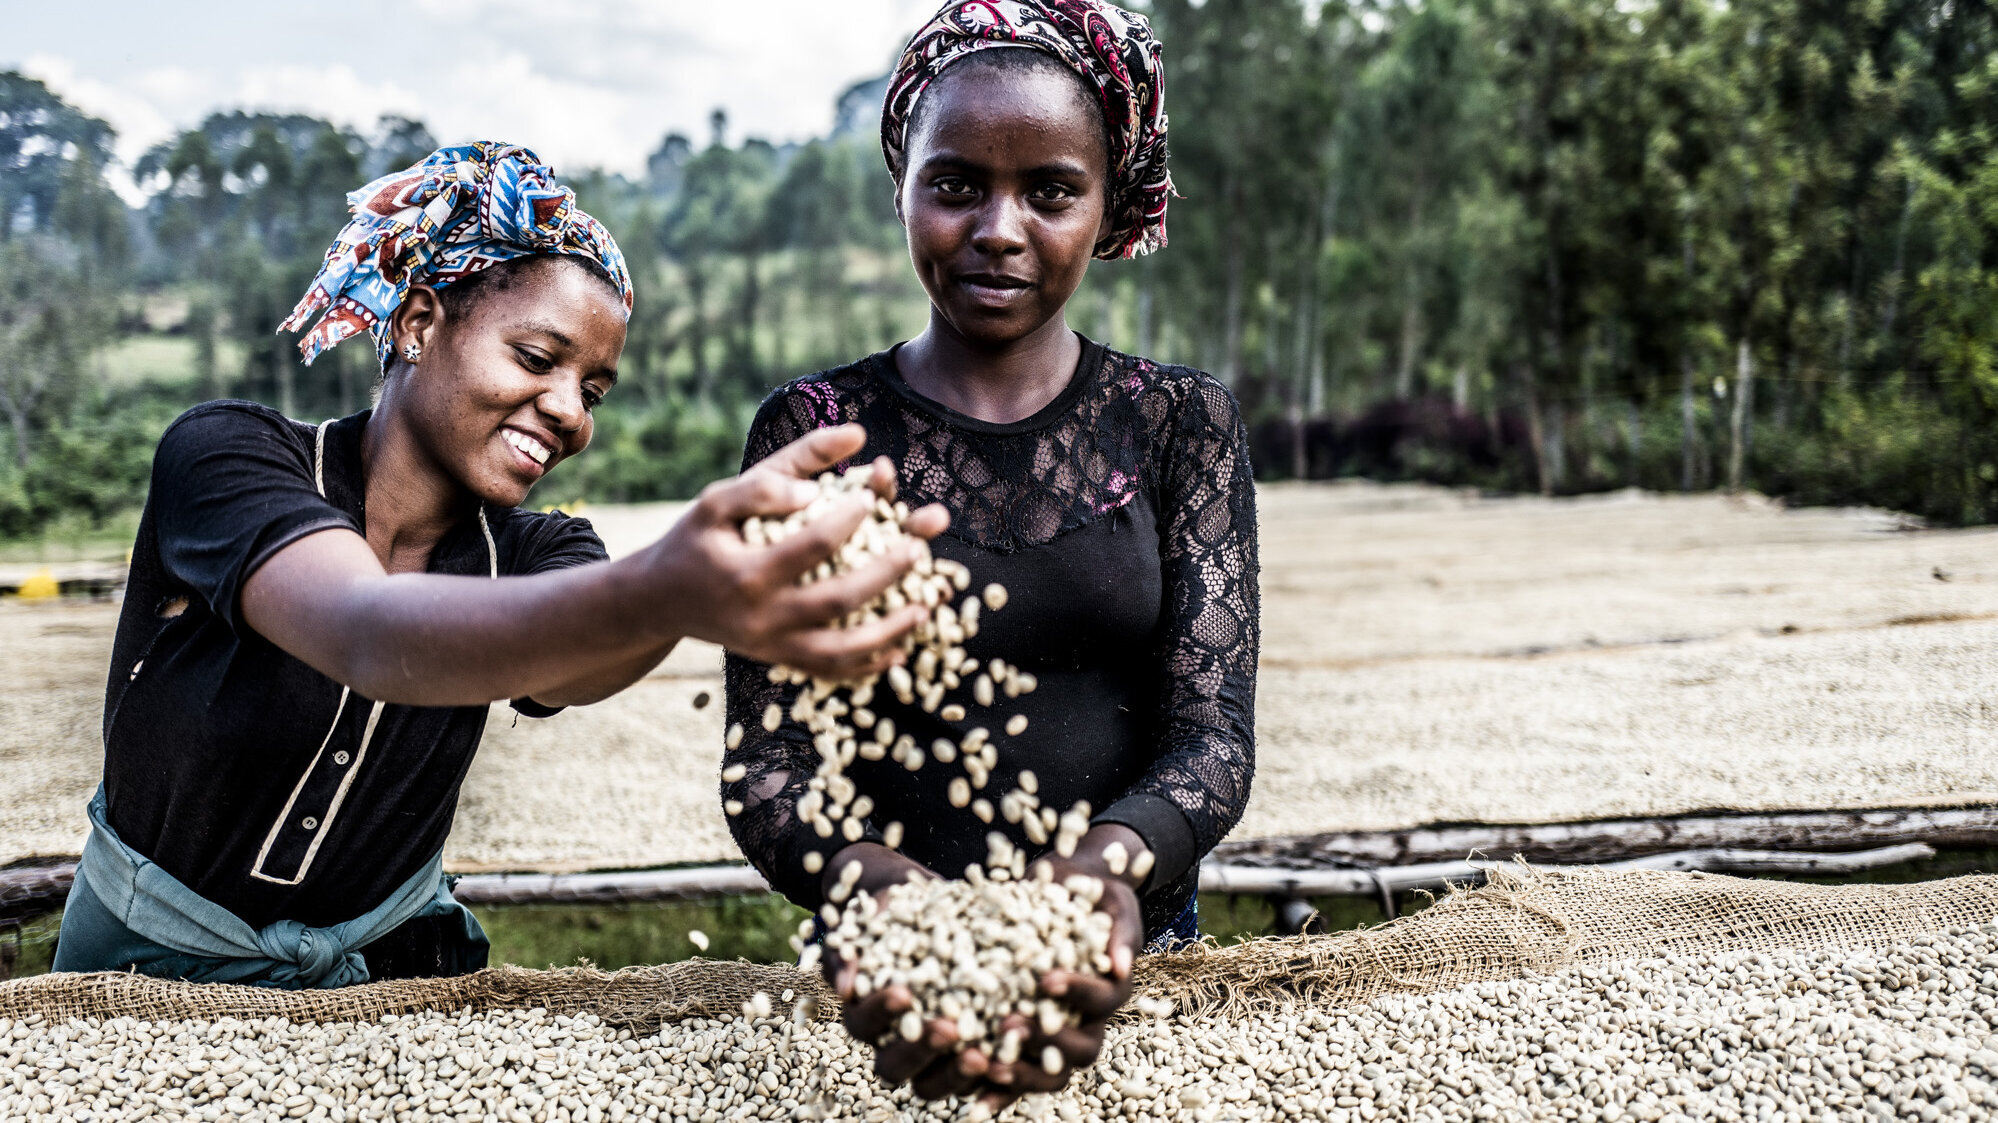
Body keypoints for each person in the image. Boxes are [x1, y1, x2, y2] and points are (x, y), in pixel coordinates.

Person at [53, 142, 945, 989]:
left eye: (592, 390)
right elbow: (364, 629)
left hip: (393, 976)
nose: (567, 412)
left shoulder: (537, 551)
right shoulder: (229, 457)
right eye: (536, 358)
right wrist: (665, 584)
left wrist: (691, 595)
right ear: (417, 322)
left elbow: (579, 660)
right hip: (143, 966)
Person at [722, 0, 1259, 1107]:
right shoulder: (814, 432)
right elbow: (768, 761)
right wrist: (870, 888)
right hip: (886, 962)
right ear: (904, 185)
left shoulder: (1180, 425)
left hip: (1129, 951)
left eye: (1050, 191)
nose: (999, 227)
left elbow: (1213, 739)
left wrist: (1103, 875)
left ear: (1107, 202)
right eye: (957, 183)